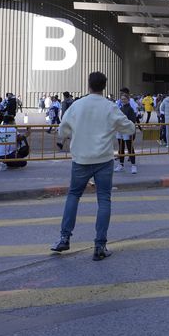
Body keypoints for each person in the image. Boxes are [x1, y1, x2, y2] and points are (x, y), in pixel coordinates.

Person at [49, 71, 136, 260]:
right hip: (104, 160)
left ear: (88, 84)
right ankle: (100, 245)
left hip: (80, 159)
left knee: (73, 195)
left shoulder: (77, 105)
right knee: (104, 200)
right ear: (104, 86)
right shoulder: (110, 107)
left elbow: (62, 130)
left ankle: (64, 238)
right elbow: (129, 127)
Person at [114, 92, 139, 174]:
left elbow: (132, 121)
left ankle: (133, 166)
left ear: (128, 99)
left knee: (130, 148)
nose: (123, 100)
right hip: (120, 131)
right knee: (121, 148)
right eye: (122, 99)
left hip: (127, 131)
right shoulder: (120, 108)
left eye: (124, 99)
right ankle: (121, 165)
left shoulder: (130, 109)